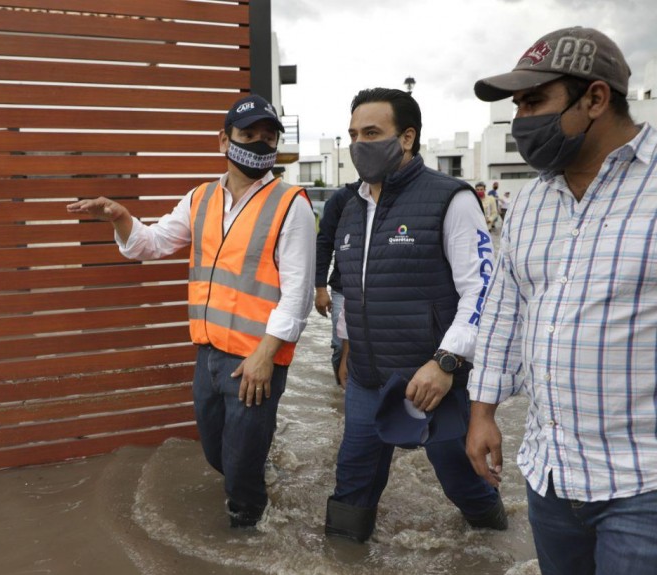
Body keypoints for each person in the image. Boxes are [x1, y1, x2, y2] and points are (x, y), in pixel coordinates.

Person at [467, 26, 657, 575]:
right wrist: (483, 411)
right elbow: (505, 309)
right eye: (517, 105)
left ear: (595, 98)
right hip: (550, 477)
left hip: (642, 485)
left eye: (533, 102)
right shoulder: (530, 203)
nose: (520, 120)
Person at [67, 94, 316, 528]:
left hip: (256, 359)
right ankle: (258, 475)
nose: (259, 144)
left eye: (268, 137)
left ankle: (248, 535)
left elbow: (298, 294)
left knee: (239, 471)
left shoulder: (290, 203)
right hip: (208, 355)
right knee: (217, 452)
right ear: (224, 141)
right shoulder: (200, 198)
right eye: (248, 135)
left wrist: (265, 356)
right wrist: (122, 218)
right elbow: (153, 243)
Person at [324, 88, 507, 543]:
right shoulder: (350, 207)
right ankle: (345, 571)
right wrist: (347, 348)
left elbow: (484, 293)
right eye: (352, 134)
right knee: (351, 490)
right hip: (367, 382)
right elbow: (346, 288)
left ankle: (496, 548)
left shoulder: (452, 199)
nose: (359, 144)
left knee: (465, 486)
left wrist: (446, 362)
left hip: (434, 385)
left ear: (407, 138)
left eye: (372, 133)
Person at [314, 180, 360, 385]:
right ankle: (341, 392)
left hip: (382, 288)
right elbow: (324, 242)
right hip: (344, 287)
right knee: (341, 345)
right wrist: (320, 288)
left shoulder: (398, 196)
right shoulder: (341, 199)